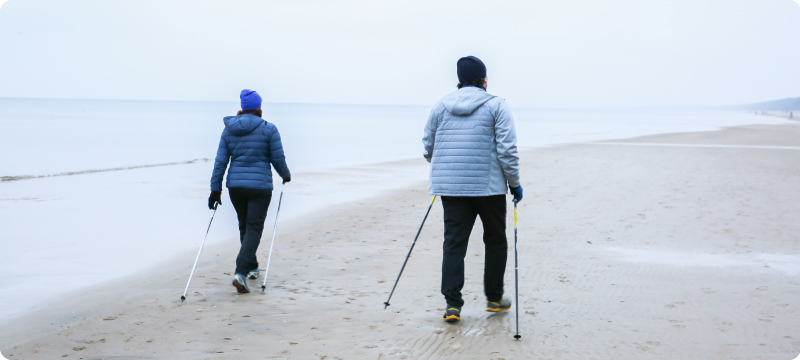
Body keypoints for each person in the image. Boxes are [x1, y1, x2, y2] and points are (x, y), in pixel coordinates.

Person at [422, 56, 522, 322]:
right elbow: (507, 150)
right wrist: (515, 183)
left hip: (451, 188)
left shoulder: (440, 106)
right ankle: (494, 298)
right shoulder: (497, 105)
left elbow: (428, 146)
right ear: (484, 80)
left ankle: (452, 305)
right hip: (488, 188)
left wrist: (446, 167)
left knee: (454, 243)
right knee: (496, 241)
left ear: (459, 80)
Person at [209, 89, 291, 294]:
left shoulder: (229, 130)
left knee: (245, 227)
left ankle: (252, 267)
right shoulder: (269, 129)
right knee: (253, 229)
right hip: (260, 187)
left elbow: (220, 162)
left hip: (236, 187)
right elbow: (277, 158)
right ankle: (240, 272)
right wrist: (285, 174)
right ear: (259, 108)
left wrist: (215, 189)